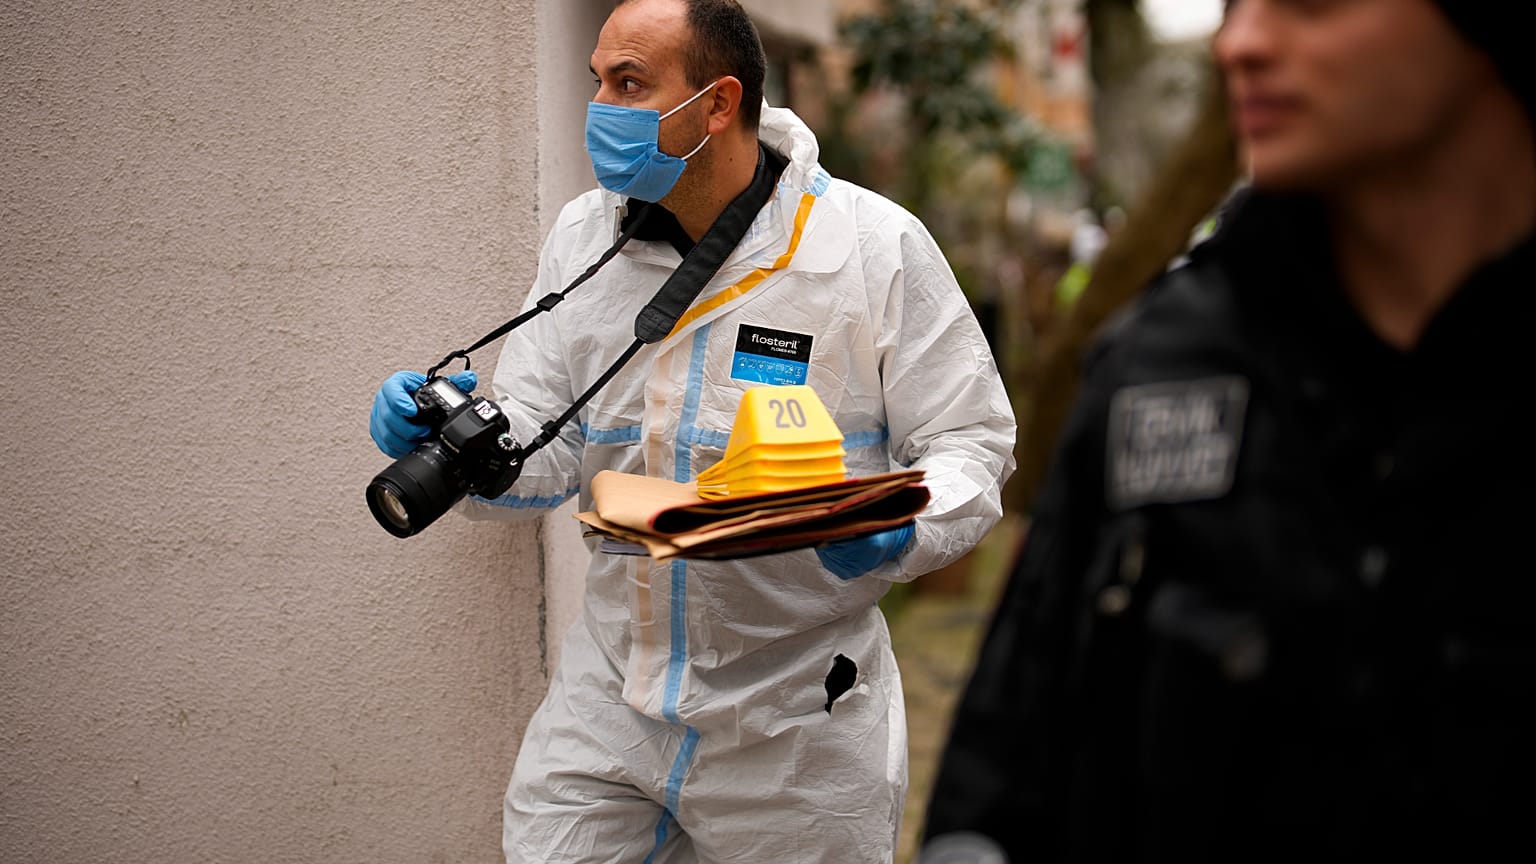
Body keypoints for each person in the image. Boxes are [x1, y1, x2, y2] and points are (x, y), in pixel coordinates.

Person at [369, 0, 1015, 861]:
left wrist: (898, 517)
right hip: (610, 702)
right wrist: (459, 448)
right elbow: (547, 449)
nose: (600, 105)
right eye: (597, 79)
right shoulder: (582, 235)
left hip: (794, 728)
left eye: (629, 83)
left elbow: (972, 443)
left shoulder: (870, 247)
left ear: (717, 104)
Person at [922, 0, 1534, 861]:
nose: (1241, 42)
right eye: (1236, 5)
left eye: (1310, 6)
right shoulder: (1159, 363)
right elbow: (1006, 764)